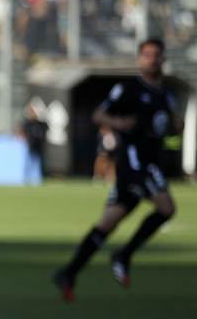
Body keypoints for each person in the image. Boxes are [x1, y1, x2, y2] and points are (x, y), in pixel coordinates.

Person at [53, 39, 182, 302]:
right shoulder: (129, 88)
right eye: (147, 55)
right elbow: (99, 115)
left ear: (164, 59)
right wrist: (118, 122)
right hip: (135, 161)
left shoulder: (167, 94)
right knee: (167, 208)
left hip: (148, 162)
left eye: (156, 55)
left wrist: (174, 128)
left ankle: (68, 272)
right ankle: (123, 255)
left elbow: (163, 126)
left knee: (108, 222)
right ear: (139, 60)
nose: (152, 59)